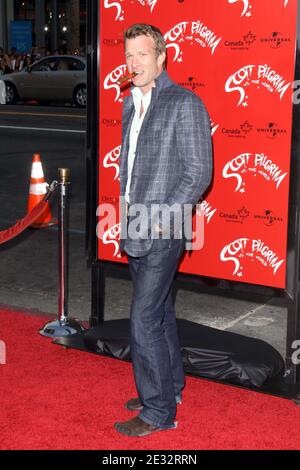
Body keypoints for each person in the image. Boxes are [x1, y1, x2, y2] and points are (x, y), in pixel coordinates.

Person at [115, 23, 212, 437]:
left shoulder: (184, 103)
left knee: (142, 317)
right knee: (159, 314)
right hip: (135, 224)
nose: (134, 62)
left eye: (142, 54)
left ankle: (157, 412)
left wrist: (161, 218)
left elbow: (198, 173)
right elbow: (133, 169)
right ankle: (169, 388)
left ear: (161, 57)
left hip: (163, 229)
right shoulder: (130, 102)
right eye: (129, 55)